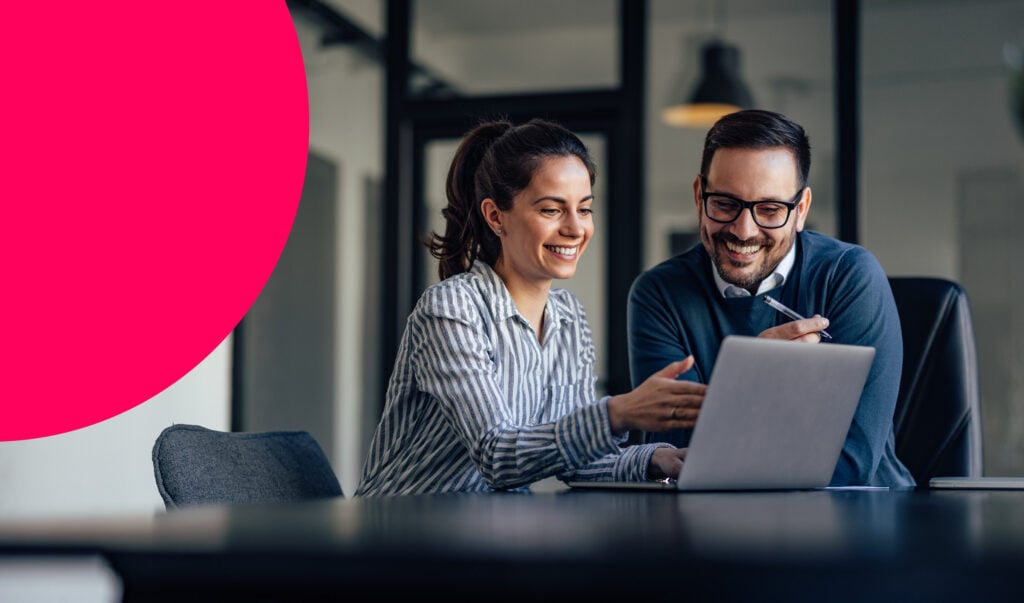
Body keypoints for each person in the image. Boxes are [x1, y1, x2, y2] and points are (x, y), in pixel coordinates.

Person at [356, 118, 706, 497]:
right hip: (399, 534)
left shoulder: (569, 317)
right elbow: (497, 455)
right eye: (552, 210)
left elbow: (576, 458)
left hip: (489, 533)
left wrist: (658, 459)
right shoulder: (451, 309)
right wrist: (618, 413)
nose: (576, 228)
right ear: (495, 216)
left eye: (584, 209)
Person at [627, 109, 915, 487]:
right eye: (725, 204)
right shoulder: (658, 295)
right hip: (716, 527)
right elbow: (682, 457)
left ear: (801, 210)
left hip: (860, 518)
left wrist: (733, 414)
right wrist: (754, 379)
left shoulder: (850, 277)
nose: (744, 231)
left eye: (769, 209)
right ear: (700, 196)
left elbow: (851, 460)